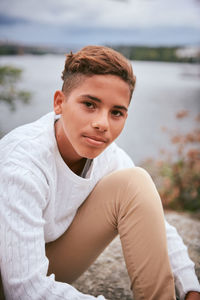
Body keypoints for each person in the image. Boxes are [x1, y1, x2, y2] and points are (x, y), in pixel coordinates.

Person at [0, 45, 199, 300]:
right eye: (89, 104)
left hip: (46, 262)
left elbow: (156, 224)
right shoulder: (22, 162)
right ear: (59, 102)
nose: (102, 124)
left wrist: (191, 288)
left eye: (116, 112)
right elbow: (25, 290)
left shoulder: (109, 155)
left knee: (135, 182)